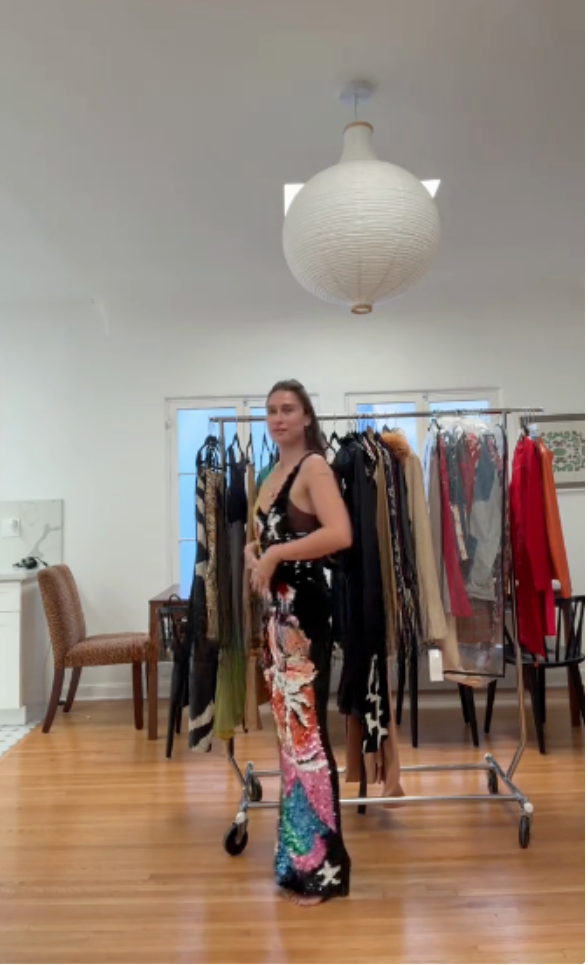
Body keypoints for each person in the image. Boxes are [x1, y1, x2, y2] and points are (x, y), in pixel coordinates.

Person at [245, 379, 352, 905]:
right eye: (271, 410)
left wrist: (274, 555)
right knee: (289, 740)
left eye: (288, 409)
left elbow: (340, 534)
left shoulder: (313, 468)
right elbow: (266, 538)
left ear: (307, 416)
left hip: (304, 616)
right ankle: (296, 860)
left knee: (308, 740)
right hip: (276, 619)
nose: (278, 417)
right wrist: (255, 554)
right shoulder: (271, 473)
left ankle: (324, 870)